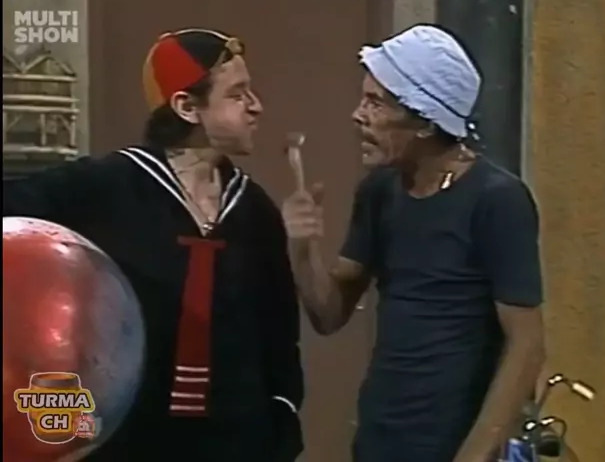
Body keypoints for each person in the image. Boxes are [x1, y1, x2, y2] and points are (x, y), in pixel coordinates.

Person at [4, 29, 304, 461]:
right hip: (131, 436)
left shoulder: (254, 209)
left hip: (238, 437)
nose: (256, 106)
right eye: (237, 94)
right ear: (186, 107)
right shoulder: (108, 185)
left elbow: (278, 331)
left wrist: (283, 416)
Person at [282, 24, 546, 462]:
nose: (358, 115)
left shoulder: (496, 200)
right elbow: (328, 314)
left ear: (424, 121)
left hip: (452, 441)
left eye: (375, 103)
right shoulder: (380, 191)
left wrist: (476, 455)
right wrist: (303, 247)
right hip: (380, 438)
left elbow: (528, 345)